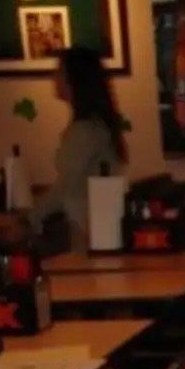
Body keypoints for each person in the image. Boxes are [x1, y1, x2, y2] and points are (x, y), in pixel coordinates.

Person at [25, 46, 128, 250]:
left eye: (59, 72)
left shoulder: (85, 130)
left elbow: (64, 187)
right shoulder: (97, 125)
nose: (53, 78)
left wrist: (28, 220)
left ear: (74, 79)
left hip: (90, 229)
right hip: (98, 226)